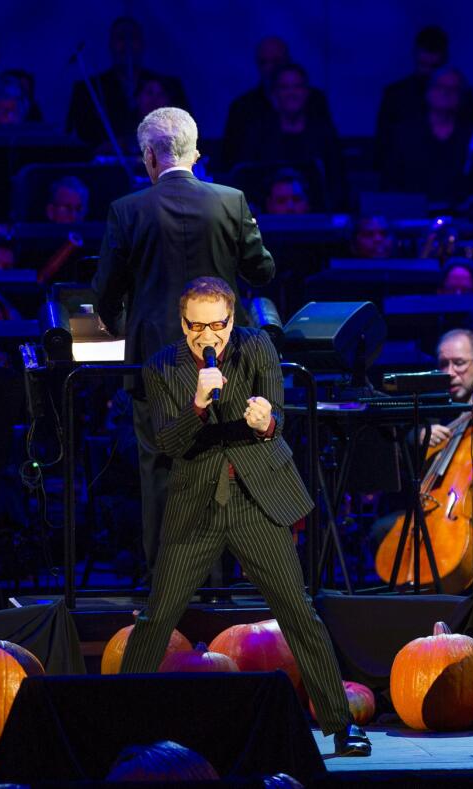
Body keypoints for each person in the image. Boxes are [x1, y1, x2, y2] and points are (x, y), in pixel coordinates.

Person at [118, 278, 368, 757]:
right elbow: (169, 443)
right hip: (197, 505)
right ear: (182, 320)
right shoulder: (162, 367)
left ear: (232, 320)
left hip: (256, 498)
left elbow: (276, 418)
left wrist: (266, 421)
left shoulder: (255, 348)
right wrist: (198, 404)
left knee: (298, 611)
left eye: (217, 324)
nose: (207, 335)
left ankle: (340, 725)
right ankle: (120, 719)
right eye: (196, 325)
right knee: (156, 617)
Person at [93, 107, 275, 577]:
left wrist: (119, 326)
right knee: (222, 468)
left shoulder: (127, 210)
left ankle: (168, 590)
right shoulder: (230, 201)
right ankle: (221, 589)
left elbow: (105, 291)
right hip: (223, 357)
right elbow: (263, 271)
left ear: (150, 156)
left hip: (155, 362)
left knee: (160, 473)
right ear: (194, 153)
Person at [66, 17, 190, 151]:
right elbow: (73, 141)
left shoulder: (168, 86)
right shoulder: (88, 90)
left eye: (133, 37)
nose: (127, 44)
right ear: (111, 45)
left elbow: (188, 136)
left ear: (142, 44)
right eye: (121, 37)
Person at [234, 63, 345, 210]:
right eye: (285, 87)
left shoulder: (324, 134)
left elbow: (337, 182)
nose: (291, 93)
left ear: (306, 92)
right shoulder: (258, 133)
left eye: (297, 87)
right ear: (274, 94)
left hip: (315, 217)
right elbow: (246, 180)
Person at [221, 36, 334, 173]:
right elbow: (234, 162)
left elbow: (333, 168)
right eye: (264, 62)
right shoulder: (243, 108)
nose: (270, 67)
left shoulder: (316, 104)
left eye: (276, 61)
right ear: (276, 95)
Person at [380, 66, 473, 211]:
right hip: (413, 217)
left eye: (454, 89)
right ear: (429, 91)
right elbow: (392, 182)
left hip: (461, 217)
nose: (446, 93)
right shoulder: (404, 135)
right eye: (441, 87)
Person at [374, 26, 473, 161]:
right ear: (415, 54)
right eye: (423, 65)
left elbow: (469, 142)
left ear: (445, 59)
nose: (428, 73)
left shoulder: (462, 96)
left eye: (434, 67)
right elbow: (383, 145)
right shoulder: (395, 96)